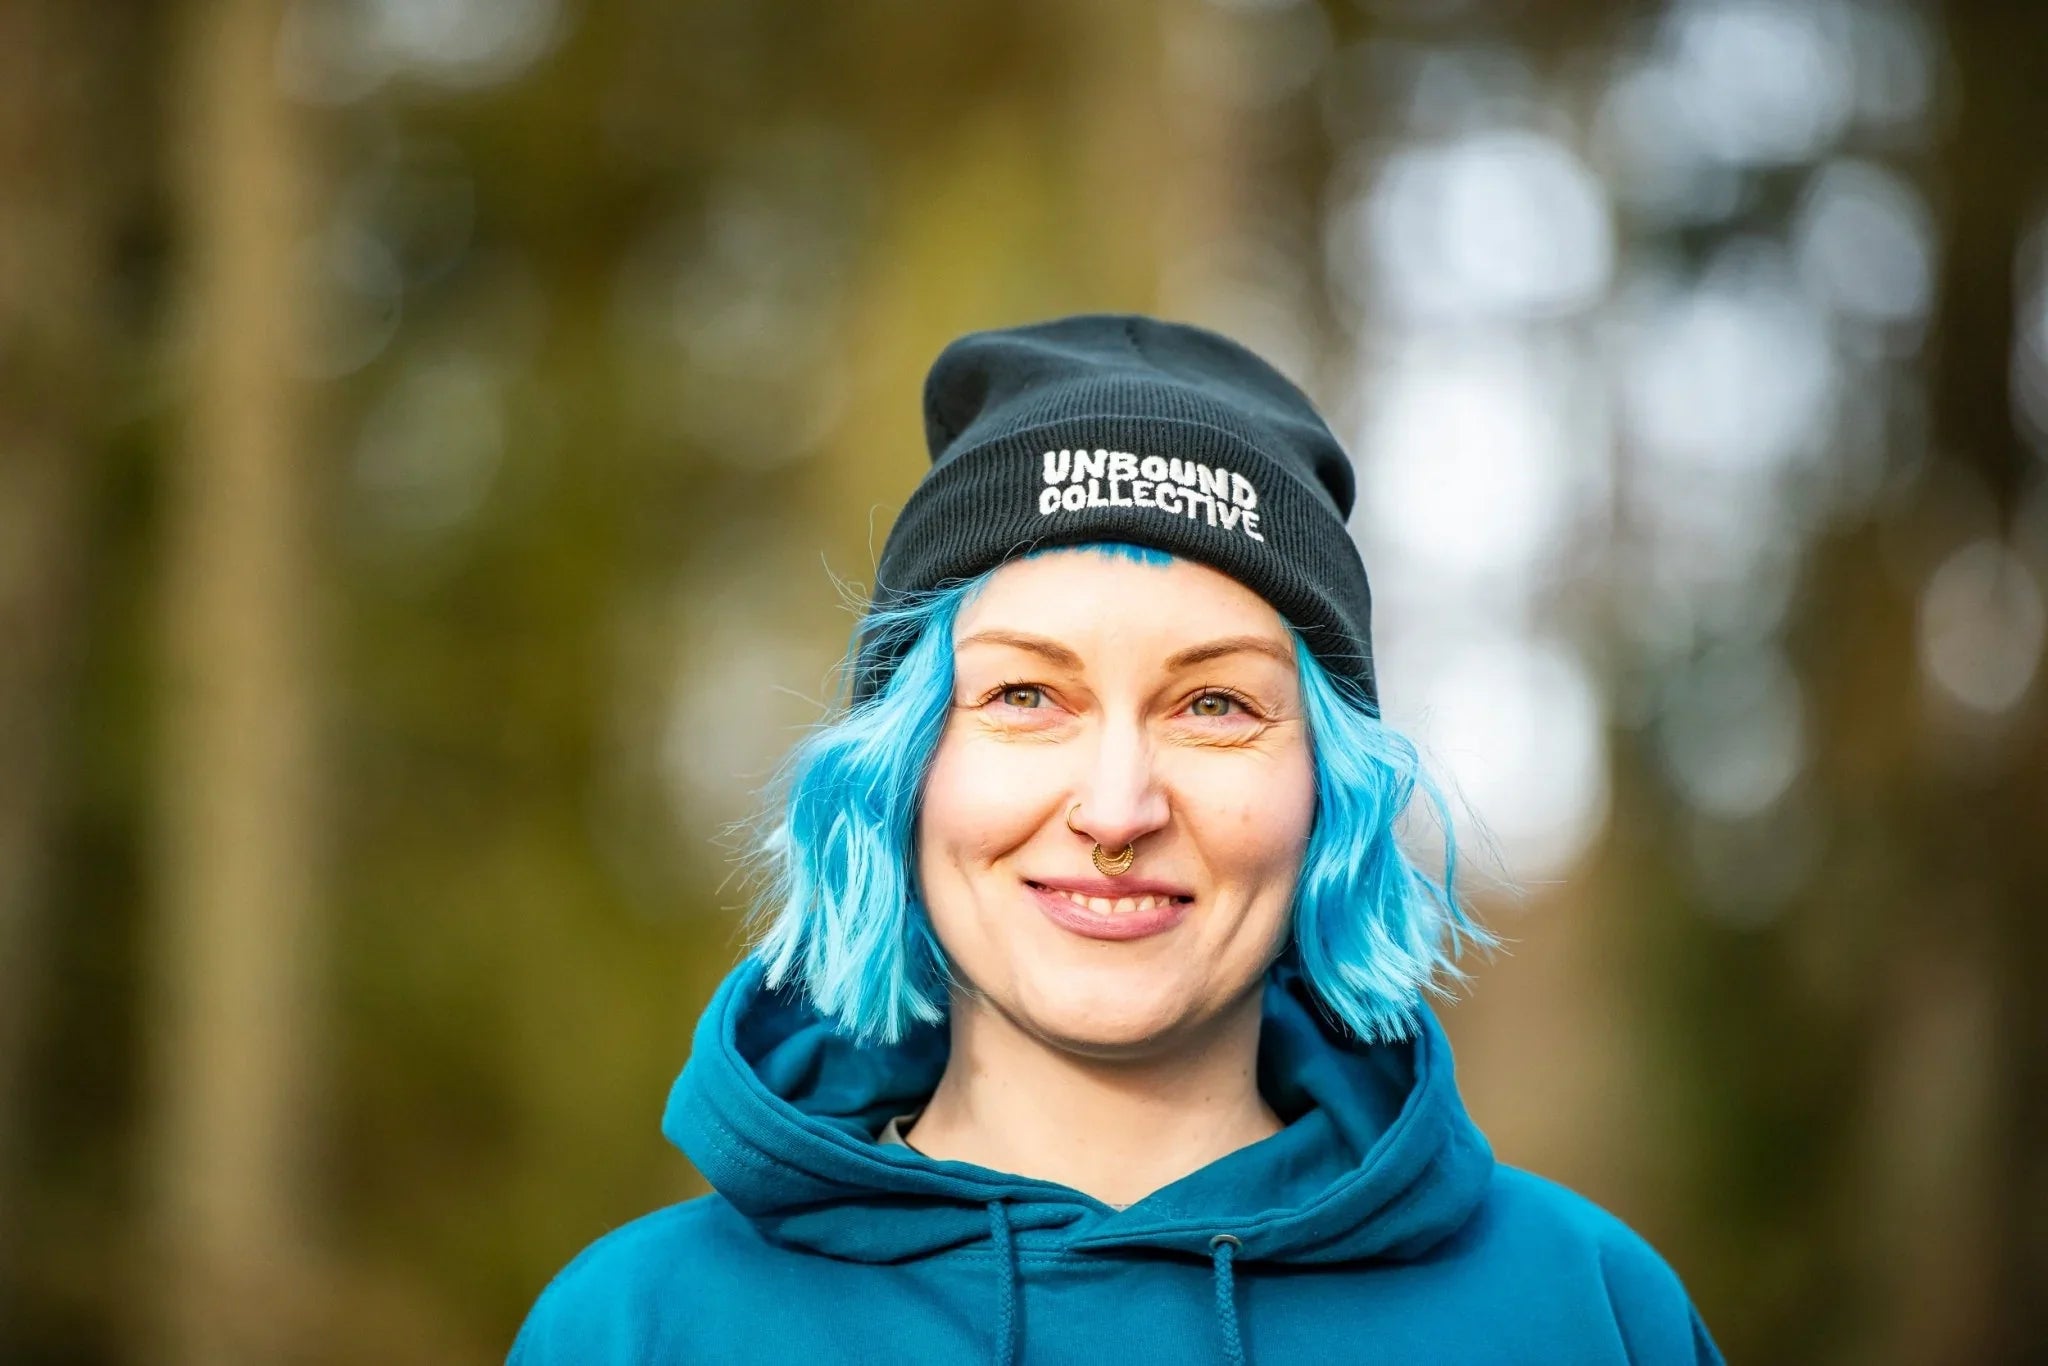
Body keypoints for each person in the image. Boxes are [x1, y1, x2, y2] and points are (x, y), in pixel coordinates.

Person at [508, 315, 1725, 1364]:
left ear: (1327, 797)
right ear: (903, 771)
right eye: (1026, 698)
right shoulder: (636, 1329)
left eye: (1214, 705)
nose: (1115, 808)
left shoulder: (1582, 1311)